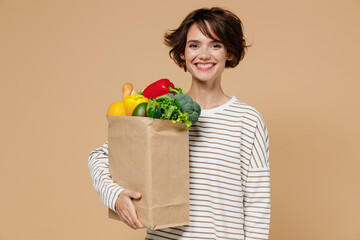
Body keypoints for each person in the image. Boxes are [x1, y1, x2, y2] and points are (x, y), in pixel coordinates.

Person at [88, 7, 270, 239]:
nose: (203, 55)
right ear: (182, 53)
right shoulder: (161, 111)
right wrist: (115, 196)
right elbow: (99, 157)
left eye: (215, 45)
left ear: (230, 53)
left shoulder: (248, 120)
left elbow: (257, 204)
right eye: (194, 45)